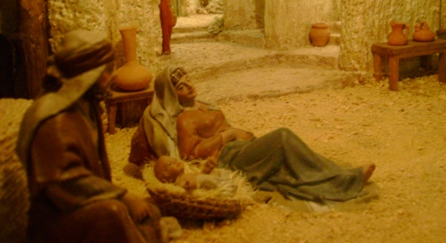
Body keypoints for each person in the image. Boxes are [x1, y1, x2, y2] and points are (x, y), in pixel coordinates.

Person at [129, 65, 376, 203]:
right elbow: (190, 154)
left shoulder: (205, 105)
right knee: (283, 137)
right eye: (182, 87)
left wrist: (240, 133)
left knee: (288, 152)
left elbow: (231, 128)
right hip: (228, 157)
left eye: (188, 80)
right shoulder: (184, 119)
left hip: (240, 147)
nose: (190, 86)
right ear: (173, 95)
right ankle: (345, 180)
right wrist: (228, 136)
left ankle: (334, 173)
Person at [16, 30, 166, 243]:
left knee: (151, 212)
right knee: (113, 213)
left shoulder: (86, 104)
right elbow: (66, 183)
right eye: (107, 71)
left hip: (88, 200)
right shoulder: (54, 122)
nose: (112, 76)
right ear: (86, 75)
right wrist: (122, 196)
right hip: (60, 215)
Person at [153, 155, 238, 196]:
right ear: (165, 177)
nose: (176, 162)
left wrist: (207, 168)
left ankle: (229, 181)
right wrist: (188, 185)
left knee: (219, 172)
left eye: (175, 160)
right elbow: (183, 189)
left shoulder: (187, 174)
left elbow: (201, 176)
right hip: (201, 184)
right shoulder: (177, 182)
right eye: (170, 164)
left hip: (204, 183)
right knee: (205, 179)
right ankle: (227, 188)